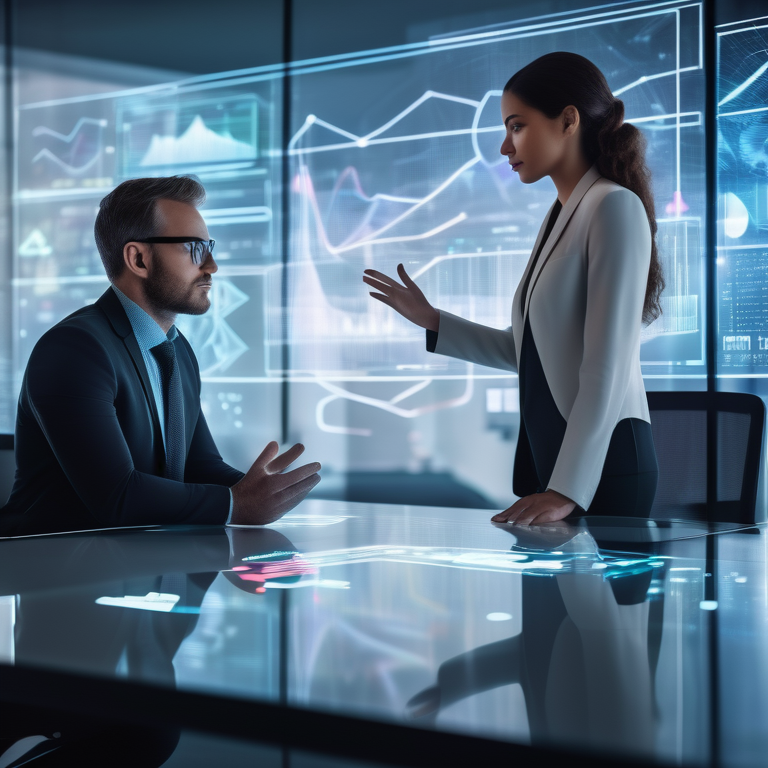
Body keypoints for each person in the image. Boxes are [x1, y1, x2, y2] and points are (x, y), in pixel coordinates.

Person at [363, 52, 662, 525]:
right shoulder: (560, 216)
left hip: (602, 472)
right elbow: (532, 349)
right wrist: (433, 321)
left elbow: (607, 363)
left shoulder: (613, 207)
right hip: (559, 469)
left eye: (517, 126)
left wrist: (566, 489)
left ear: (567, 121)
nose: (505, 147)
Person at [0, 175, 320, 536]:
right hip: (53, 565)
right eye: (194, 248)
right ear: (138, 258)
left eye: (209, 247)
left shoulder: (175, 349)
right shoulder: (74, 350)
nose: (211, 265)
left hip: (140, 565)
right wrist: (237, 504)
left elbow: (199, 466)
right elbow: (116, 496)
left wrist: (264, 489)